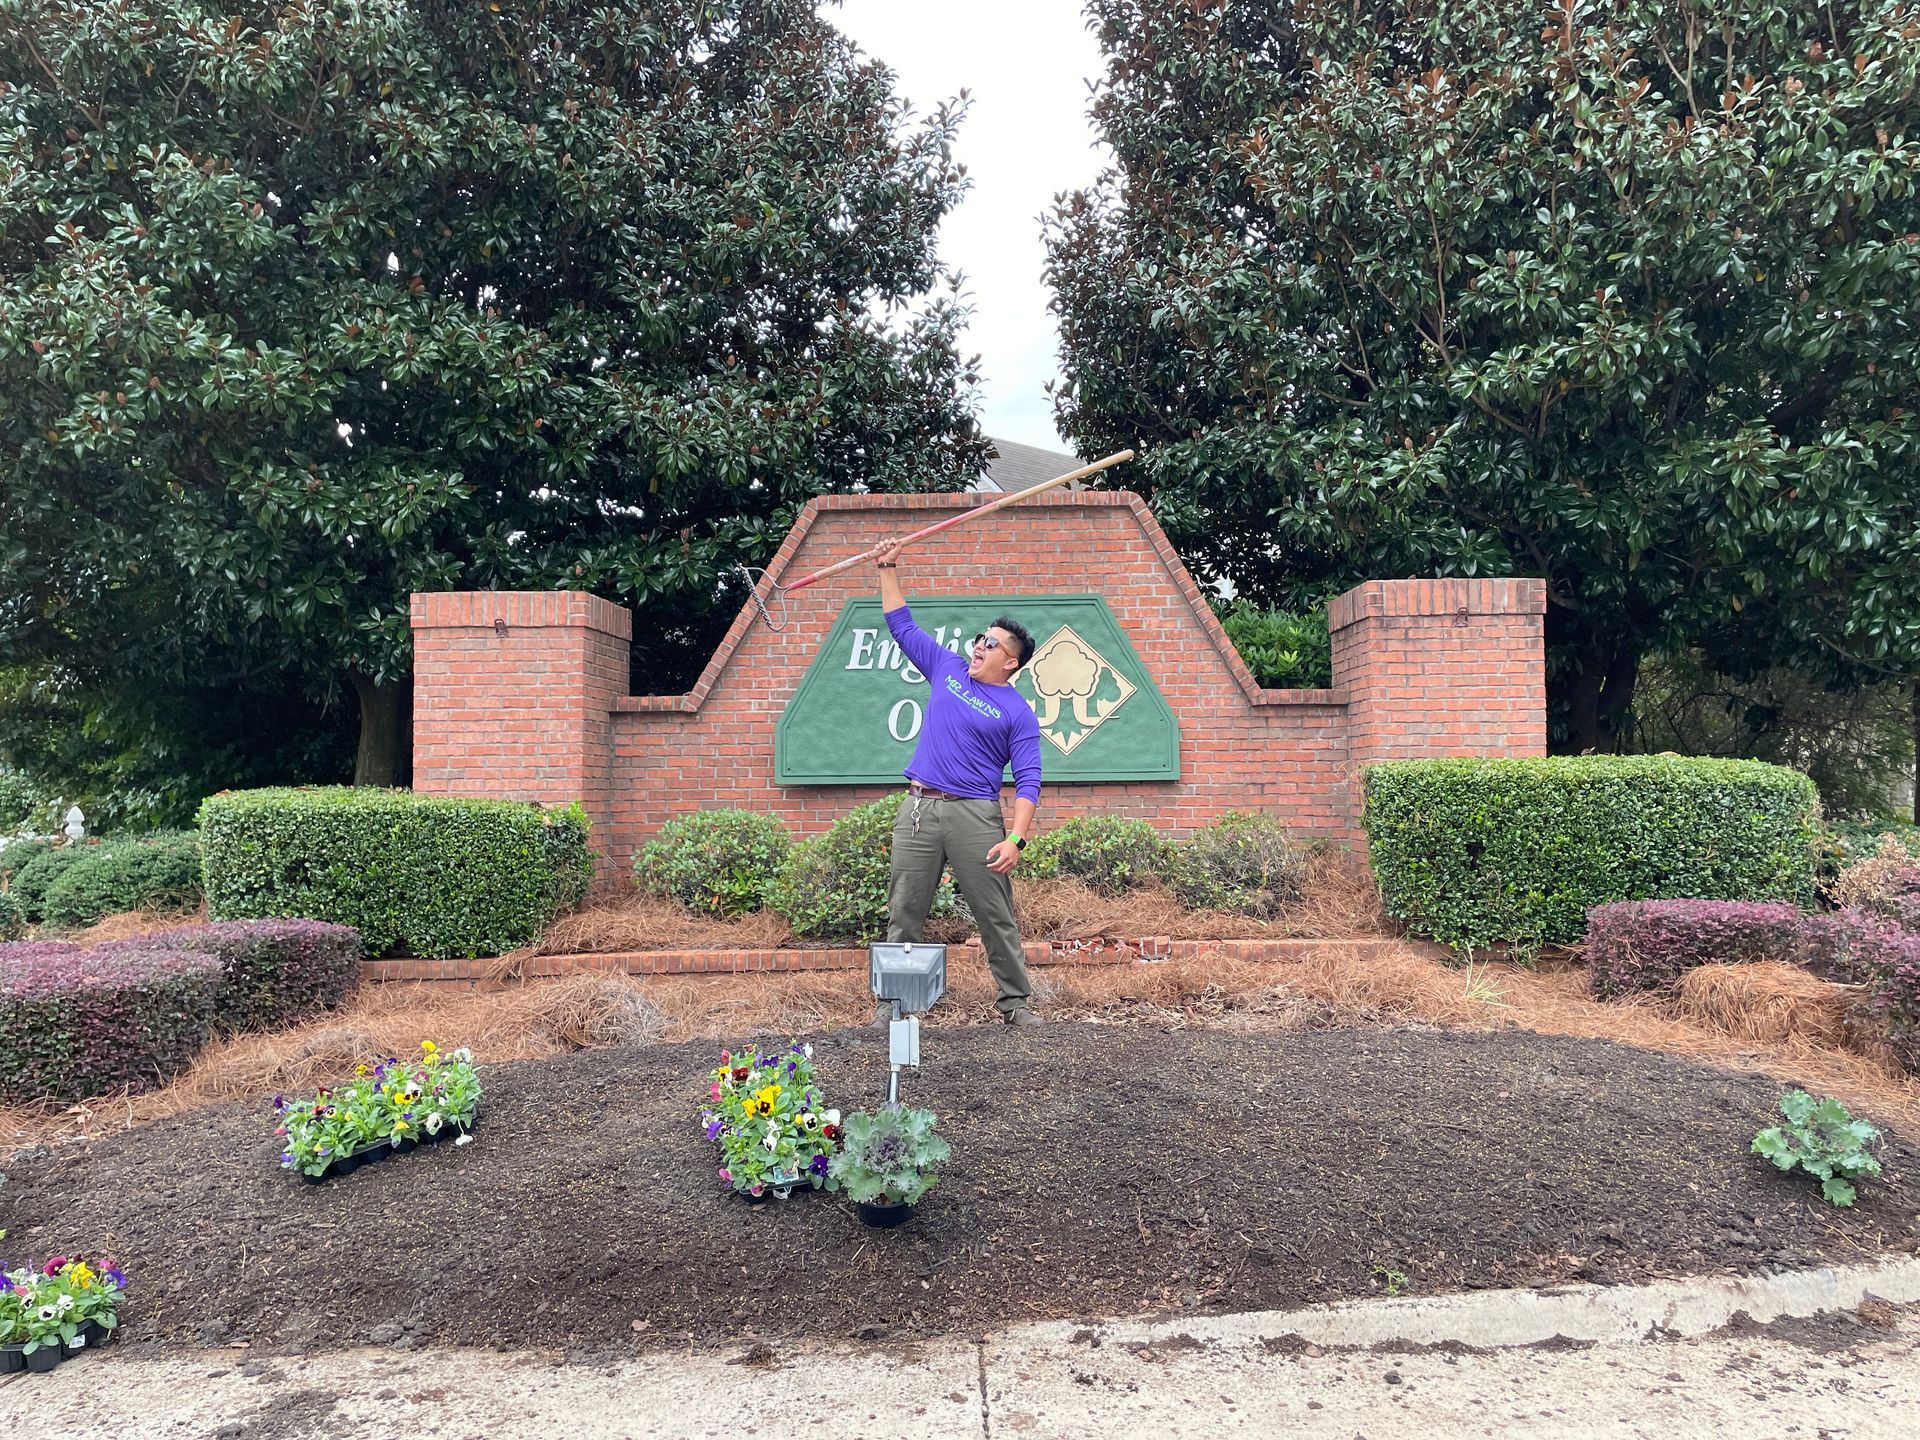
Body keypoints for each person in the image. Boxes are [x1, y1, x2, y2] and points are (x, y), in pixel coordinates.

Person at [871, 536, 1044, 1026]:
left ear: (1010, 661)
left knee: (994, 914)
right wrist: (887, 566)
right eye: (979, 639)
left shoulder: (1018, 712)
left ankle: (1015, 1004)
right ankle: (894, 1003)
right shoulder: (947, 669)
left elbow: (1029, 781)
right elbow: (900, 625)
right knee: (904, 909)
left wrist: (1016, 838)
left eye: (992, 644)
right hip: (920, 809)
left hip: (975, 816)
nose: (979, 646)